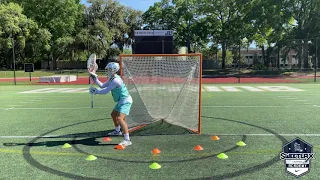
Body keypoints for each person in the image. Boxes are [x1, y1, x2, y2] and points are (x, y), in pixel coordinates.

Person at [89, 62, 133, 146]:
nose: (107, 71)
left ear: (114, 70)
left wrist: (96, 91)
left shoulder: (116, 80)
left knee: (120, 119)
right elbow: (102, 85)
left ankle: (127, 140)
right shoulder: (112, 78)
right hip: (121, 101)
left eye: (109, 69)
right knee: (113, 115)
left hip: (125, 101)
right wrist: (95, 79)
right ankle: (117, 131)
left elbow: (105, 91)